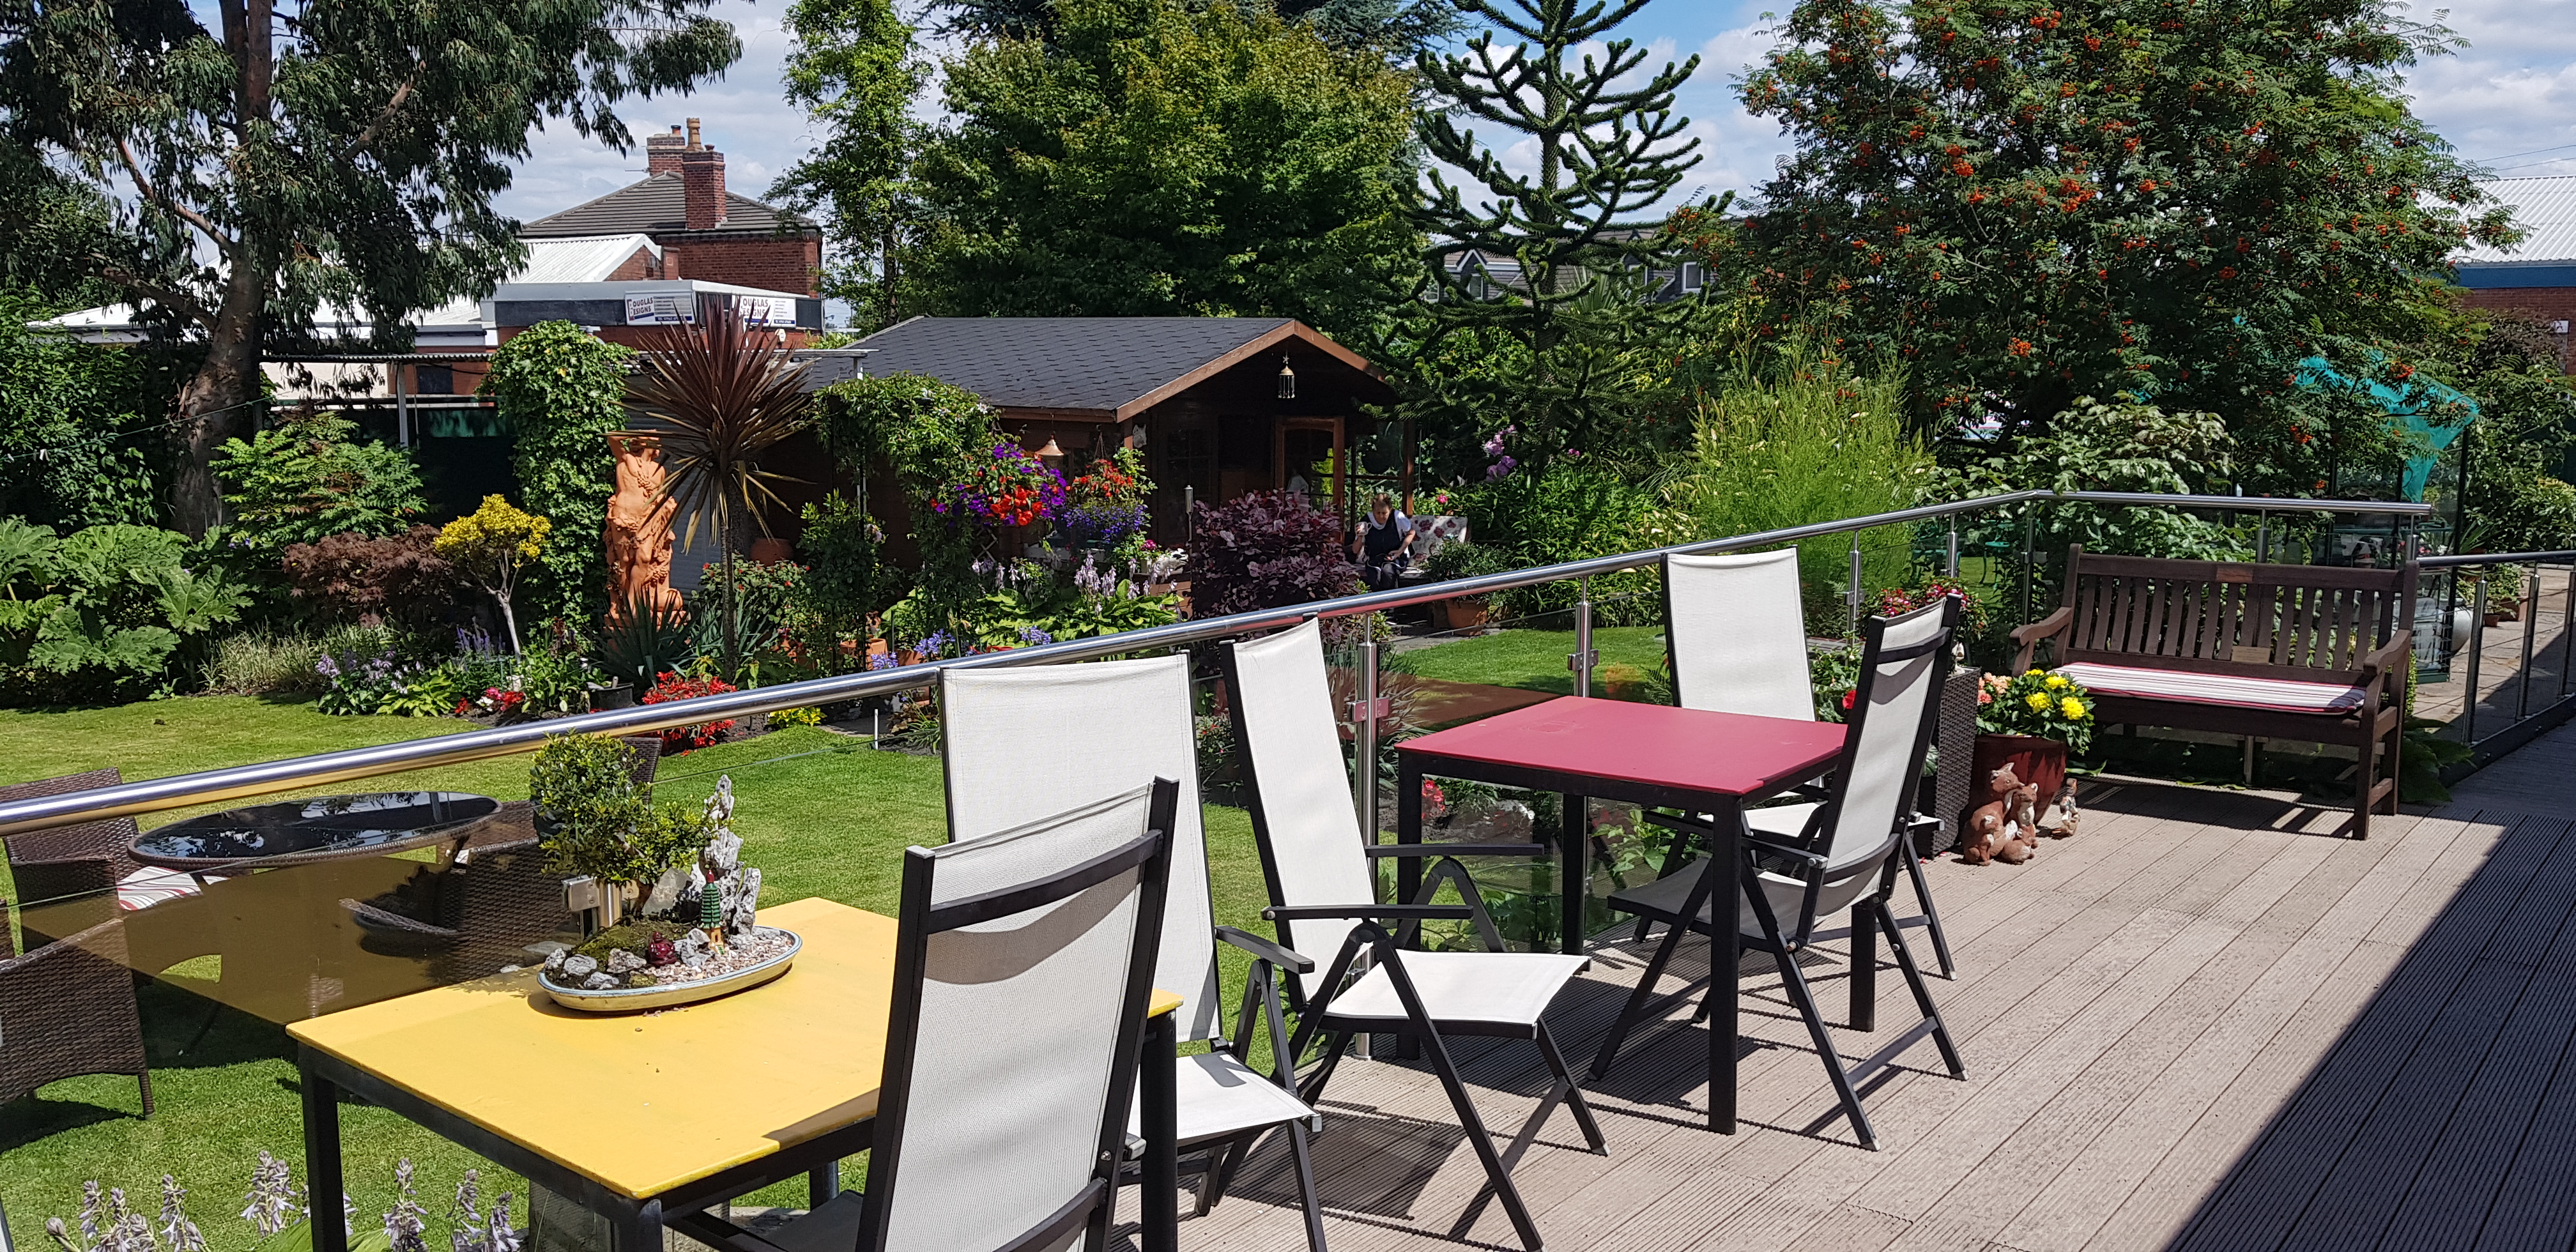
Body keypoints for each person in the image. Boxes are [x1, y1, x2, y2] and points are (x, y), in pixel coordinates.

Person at [1350, 492, 1414, 591]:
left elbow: (1411, 533)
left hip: (1397, 557)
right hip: (1375, 558)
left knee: (1388, 571)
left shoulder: (1398, 517)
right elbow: (1355, 550)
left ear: (1390, 510)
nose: (1381, 516)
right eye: (1378, 513)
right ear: (1373, 511)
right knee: (1374, 575)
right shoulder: (1366, 521)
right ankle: (1375, 604)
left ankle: (1391, 604)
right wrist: (1359, 537)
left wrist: (1399, 551)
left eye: (1384, 513)